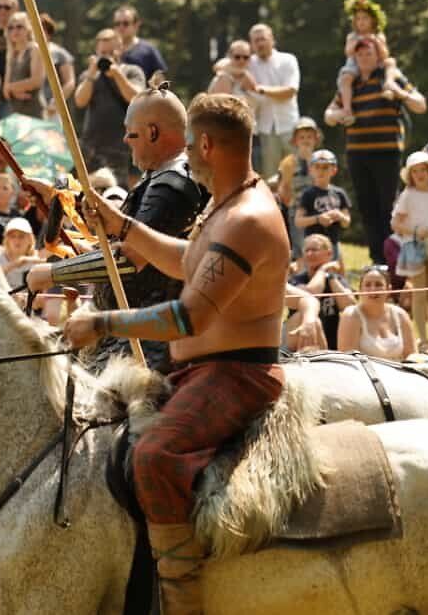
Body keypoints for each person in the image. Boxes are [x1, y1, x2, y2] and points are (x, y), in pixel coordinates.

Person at [64, 92, 288, 612]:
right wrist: (119, 226)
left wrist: (101, 322)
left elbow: (189, 316)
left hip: (237, 375)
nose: (186, 154)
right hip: (203, 371)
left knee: (154, 456)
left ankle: (180, 596)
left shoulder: (248, 218)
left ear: (207, 144)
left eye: (190, 145)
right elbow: (185, 260)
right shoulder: (225, 206)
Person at [28, 85, 207, 371]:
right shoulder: (160, 178)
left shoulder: (172, 184)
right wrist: (58, 200)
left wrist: (52, 274)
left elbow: (128, 260)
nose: (125, 139)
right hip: (128, 333)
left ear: (152, 132)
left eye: (131, 132)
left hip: (150, 345)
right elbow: (112, 242)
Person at [327, 35, 426, 264]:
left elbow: (420, 104)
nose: (363, 57)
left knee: (387, 207)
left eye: (368, 53)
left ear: (378, 55)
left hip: (387, 152)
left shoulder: (389, 77)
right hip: (357, 154)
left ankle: (393, 258)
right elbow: (329, 115)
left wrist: (399, 93)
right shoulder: (349, 84)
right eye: (359, 54)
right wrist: (340, 114)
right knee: (367, 207)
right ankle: (377, 260)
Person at [74, 28, 146, 185]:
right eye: (102, 53)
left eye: (110, 52)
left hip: (120, 148)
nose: (106, 56)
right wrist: (91, 75)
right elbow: (80, 101)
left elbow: (137, 98)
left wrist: (117, 75)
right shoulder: (90, 75)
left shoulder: (132, 71)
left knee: (117, 194)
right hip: (90, 147)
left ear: (120, 49)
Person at [246, 24, 301, 178]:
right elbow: (221, 66)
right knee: (271, 178)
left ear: (272, 40)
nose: (260, 44)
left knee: (296, 175)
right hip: (265, 128)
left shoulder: (288, 59)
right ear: (251, 44)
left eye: (263, 39)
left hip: (290, 126)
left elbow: (290, 91)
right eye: (256, 41)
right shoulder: (248, 63)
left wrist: (260, 89)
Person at [392, 150, 428, 351]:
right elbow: (396, 223)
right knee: (419, 293)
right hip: (414, 246)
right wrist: (417, 231)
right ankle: (423, 340)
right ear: (410, 175)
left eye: (423, 170)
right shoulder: (408, 195)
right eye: (415, 171)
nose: (420, 175)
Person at [288, 233, 354, 350]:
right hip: (301, 345)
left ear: (329, 254)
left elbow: (349, 306)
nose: (309, 254)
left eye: (314, 250)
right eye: (307, 250)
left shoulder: (336, 280)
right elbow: (311, 295)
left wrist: (332, 278)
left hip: (333, 343)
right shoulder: (297, 280)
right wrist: (323, 270)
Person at [336, 0, 395, 125]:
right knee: (345, 78)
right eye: (358, 19)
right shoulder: (352, 36)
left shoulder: (378, 35)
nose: (361, 22)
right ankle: (347, 108)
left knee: (391, 62)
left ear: (373, 20)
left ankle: (389, 85)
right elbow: (349, 52)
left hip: (375, 63)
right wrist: (359, 40)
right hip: (355, 64)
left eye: (365, 18)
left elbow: (385, 54)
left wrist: (375, 41)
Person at [337, 266, 416, 360]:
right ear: (360, 290)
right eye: (367, 285)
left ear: (388, 289)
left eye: (378, 284)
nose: (373, 289)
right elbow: (349, 360)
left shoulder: (400, 315)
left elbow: (412, 357)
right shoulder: (351, 315)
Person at [276, 116, 323, 257]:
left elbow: (323, 183)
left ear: (316, 139)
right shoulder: (289, 162)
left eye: (309, 137)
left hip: (318, 208)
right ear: (295, 141)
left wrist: (310, 161)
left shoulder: (322, 159)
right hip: (297, 209)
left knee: (320, 244)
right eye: (301, 137)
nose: (306, 140)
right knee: (301, 247)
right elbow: (284, 187)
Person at [293, 149, 351, 259]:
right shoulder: (307, 194)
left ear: (334, 170)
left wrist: (340, 216)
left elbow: (346, 223)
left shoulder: (339, 193)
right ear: (311, 170)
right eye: (317, 167)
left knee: (335, 272)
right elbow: (298, 221)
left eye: (325, 167)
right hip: (312, 246)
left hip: (333, 244)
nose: (321, 171)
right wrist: (318, 219)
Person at [0, 11, 45, 118]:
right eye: (11, 28)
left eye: (19, 27)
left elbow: (36, 81)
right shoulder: (11, 54)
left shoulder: (34, 49)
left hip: (34, 111)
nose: (15, 30)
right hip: (15, 112)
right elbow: (5, 91)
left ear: (28, 29)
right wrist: (14, 91)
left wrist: (11, 87)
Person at [112, 5, 167, 81]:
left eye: (125, 23)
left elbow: (160, 81)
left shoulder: (148, 50)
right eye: (117, 23)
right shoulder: (106, 49)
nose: (121, 27)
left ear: (136, 25)